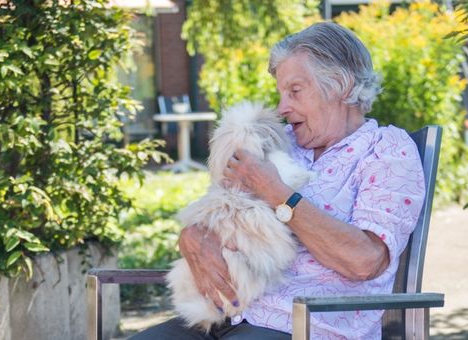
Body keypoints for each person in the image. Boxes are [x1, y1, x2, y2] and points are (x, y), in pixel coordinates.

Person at [132, 22, 426, 340]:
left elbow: (365, 261)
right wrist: (192, 236)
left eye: (295, 91)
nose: (282, 108)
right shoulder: (274, 141)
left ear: (341, 85)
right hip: (217, 318)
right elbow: (217, 209)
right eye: (281, 93)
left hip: (303, 327)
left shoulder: (385, 149)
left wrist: (275, 192)